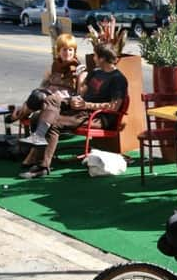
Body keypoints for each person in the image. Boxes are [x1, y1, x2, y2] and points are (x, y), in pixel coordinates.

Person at [18, 43, 128, 179]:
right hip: (81, 108)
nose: (93, 58)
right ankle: (39, 138)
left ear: (102, 58)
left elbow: (114, 107)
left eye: (95, 55)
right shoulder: (95, 72)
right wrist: (79, 85)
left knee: (53, 124)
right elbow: (82, 93)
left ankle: (43, 166)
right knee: (49, 101)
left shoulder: (118, 79)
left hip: (97, 117)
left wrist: (86, 105)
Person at [8, 33, 87, 124]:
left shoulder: (79, 69)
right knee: (37, 94)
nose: (68, 53)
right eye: (64, 50)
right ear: (58, 51)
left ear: (74, 51)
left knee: (38, 97)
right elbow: (43, 85)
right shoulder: (54, 66)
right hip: (48, 96)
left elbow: (80, 94)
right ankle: (21, 112)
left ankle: (18, 114)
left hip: (63, 101)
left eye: (70, 50)